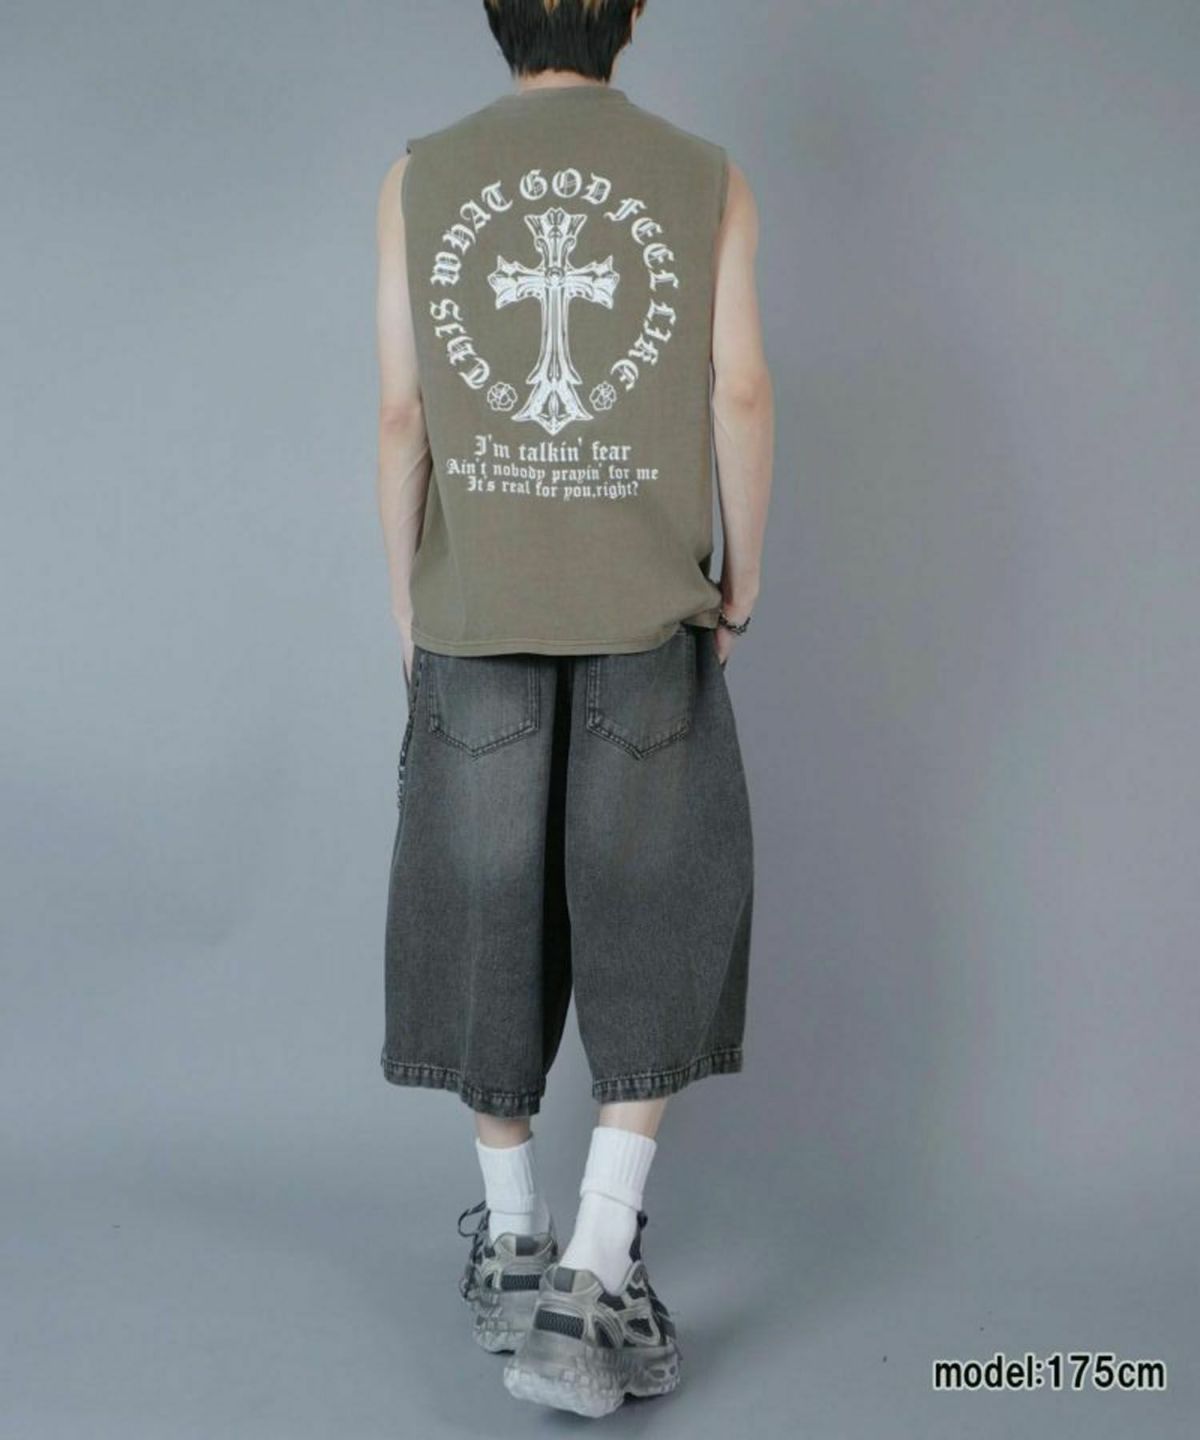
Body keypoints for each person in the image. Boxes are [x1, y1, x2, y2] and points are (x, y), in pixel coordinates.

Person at [374, 0, 773, 1417]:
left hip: (477, 612)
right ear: (634, 10)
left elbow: (405, 415)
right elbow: (737, 388)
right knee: (655, 907)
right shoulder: (706, 176)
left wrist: (412, 604)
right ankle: (599, 1264)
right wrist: (738, 581)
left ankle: (516, 1243)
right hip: (645, 614)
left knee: (482, 910)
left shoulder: (419, 176)